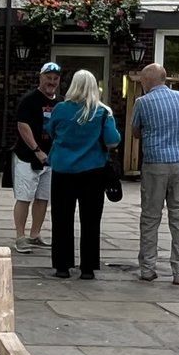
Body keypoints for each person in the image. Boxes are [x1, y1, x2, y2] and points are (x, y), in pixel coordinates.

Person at [45, 69, 121, 280]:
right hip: (92, 171)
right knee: (90, 220)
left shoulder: (60, 109)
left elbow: (51, 131)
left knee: (62, 219)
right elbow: (112, 140)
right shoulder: (102, 112)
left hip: (62, 170)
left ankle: (62, 266)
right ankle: (87, 268)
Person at [131, 63, 179, 286]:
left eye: (142, 81)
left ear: (148, 81)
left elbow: (136, 131)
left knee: (150, 217)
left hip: (155, 164)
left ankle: (147, 268)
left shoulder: (142, 102)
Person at [12, 62, 61, 252]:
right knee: (24, 197)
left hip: (51, 158)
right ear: (40, 78)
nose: (52, 82)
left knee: (43, 198)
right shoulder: (29, 100)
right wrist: (36, 150)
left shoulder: (61, 102)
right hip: (27, 157)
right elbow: (22, 126)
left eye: (55, 78)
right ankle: (20, 236)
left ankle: (35, 235)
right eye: (48, 77)